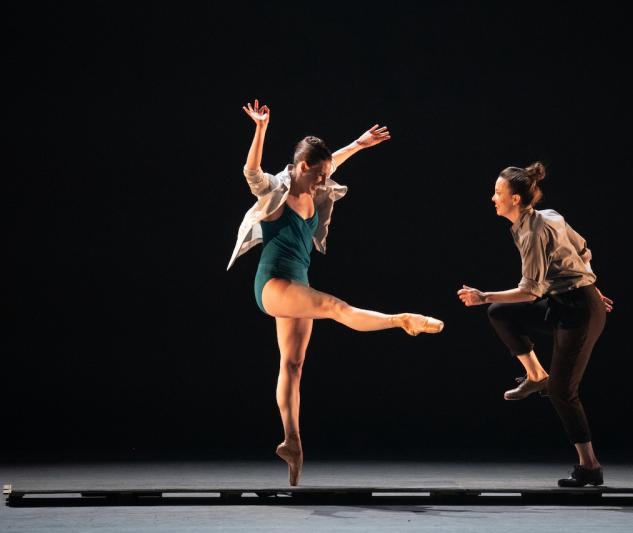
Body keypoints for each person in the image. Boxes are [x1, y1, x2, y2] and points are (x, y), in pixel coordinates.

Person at [230, 99, 444, 486]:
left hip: (298, 283)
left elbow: (334, 163)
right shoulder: (275, 192)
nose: (324, 182)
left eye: (326, 175)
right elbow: (251, 172)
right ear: (301, 167)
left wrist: (358, 144)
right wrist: (260, 130)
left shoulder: (314, 187)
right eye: (319, 175)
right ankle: (401, 320)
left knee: (292, 366)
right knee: (334, 306)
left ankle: (292, 442)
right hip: (273, 283)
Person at [457, 161, 613, 487]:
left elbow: (530, 291)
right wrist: (591, 285)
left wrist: (483, 295)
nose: (493, 198)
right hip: (566, 301)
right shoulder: (546, 216)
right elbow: (582, 250)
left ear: (515, 199)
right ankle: (535, 374)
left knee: (562, 392)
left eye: (498, 192)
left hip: (579, 311)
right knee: (501, 313)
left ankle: (590, 466)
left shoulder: (533, 231)